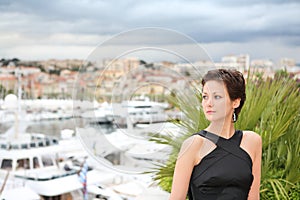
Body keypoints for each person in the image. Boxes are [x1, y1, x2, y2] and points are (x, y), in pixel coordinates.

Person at [169, 69, 262, 200]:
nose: (209, 103)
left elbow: (254, 197)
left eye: (217, 96)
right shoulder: (193, 145)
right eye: (205, 96)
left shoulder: (252, 141)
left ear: (235, 102)